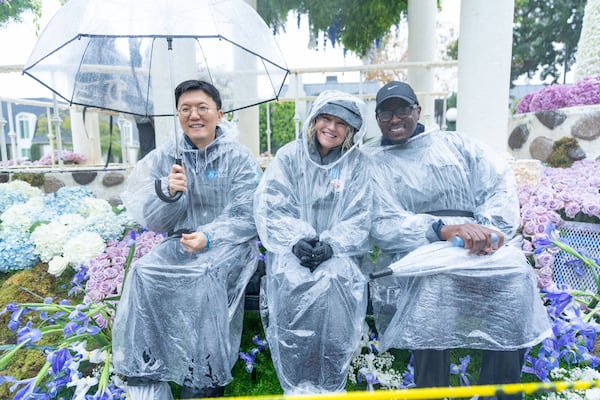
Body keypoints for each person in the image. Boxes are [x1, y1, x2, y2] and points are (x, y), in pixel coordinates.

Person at [365, 81, 551, 399]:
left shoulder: (457, 145)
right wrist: (441, 230)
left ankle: (500, 392)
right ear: (378, 118)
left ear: (418, 111)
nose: (395, 119)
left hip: (478, 246)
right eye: (386, 113)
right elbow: (381, 223)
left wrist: (488, 232)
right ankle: (432, 391)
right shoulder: (374, 162)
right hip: (418, 251)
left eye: (402, 110)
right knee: (432, 287)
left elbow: (497, 185)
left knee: (516, 275)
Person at [112, 80, 262, 399]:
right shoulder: (168, 156)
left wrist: (210, 236)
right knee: (143, 271)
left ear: (219, 114)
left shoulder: (239, 158)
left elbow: (248, 216)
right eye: (185, 109)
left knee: (204, 275)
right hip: (179, 243)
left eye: (202, 107)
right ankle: (147, 371)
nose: (194, 115)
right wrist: (168, 192)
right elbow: (153, 221)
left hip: (229, 247)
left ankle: (203, 377)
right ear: (178, 115)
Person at [254, 90, 372, 394]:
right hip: (292, 253)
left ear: (351, 130)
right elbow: (270, 205)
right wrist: (294, 240)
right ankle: (298, 380)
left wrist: (332, 245)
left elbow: (362, 214)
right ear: (314, 119)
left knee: (335, 282)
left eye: (340, 123)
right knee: (293, 282)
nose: (331, 128)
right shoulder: (289, 157)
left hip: (339, 255)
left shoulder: (357, 164)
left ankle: (331, 381)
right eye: (326, 118)